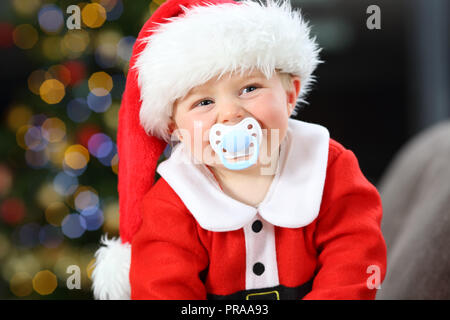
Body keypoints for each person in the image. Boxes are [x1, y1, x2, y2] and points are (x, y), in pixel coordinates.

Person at [91, 0, 387, 300]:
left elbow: (355, 256)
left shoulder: (327, 165)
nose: (230, 114)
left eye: (249, 89)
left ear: (289, 94)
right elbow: (162, 288)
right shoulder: (175, 200)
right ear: (175, 131)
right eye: (204, 103)